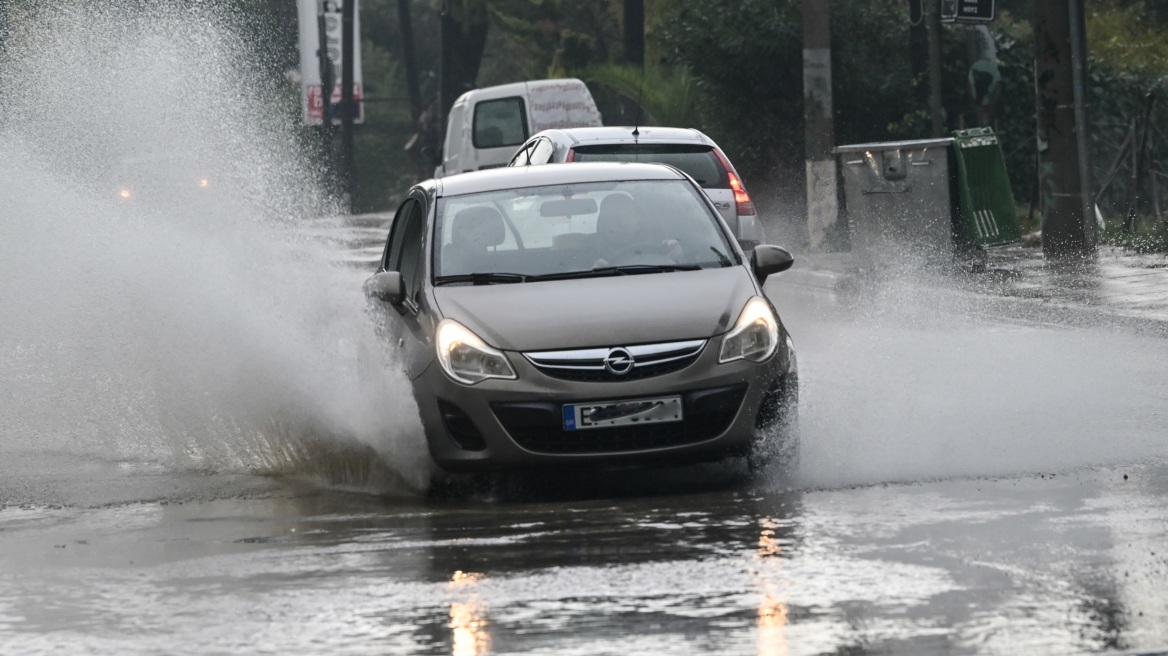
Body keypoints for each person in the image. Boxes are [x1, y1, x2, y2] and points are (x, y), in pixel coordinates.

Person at [592, 193, 683, 267]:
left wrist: (677, 251)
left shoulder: (660, 244)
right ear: (601, 222)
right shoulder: (584, 252)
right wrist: (593, 273)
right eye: (612, 218)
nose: (621, 224)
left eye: (627, 217)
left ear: (638, 221)